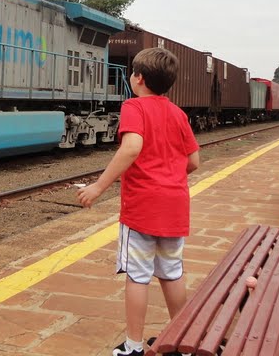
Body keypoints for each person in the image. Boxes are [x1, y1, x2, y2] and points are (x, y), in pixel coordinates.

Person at [77, 47, 200, 356]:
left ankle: (133, 346)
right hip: (175, 207)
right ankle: (181, 341)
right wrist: (169, 175)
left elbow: (132, 147)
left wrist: (99, 186)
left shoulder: (135, 106)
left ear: (139, 78)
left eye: (132, 72)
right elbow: (194, 160)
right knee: (171, 273)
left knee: (138, 275)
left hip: (142, 207)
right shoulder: (178, 113)